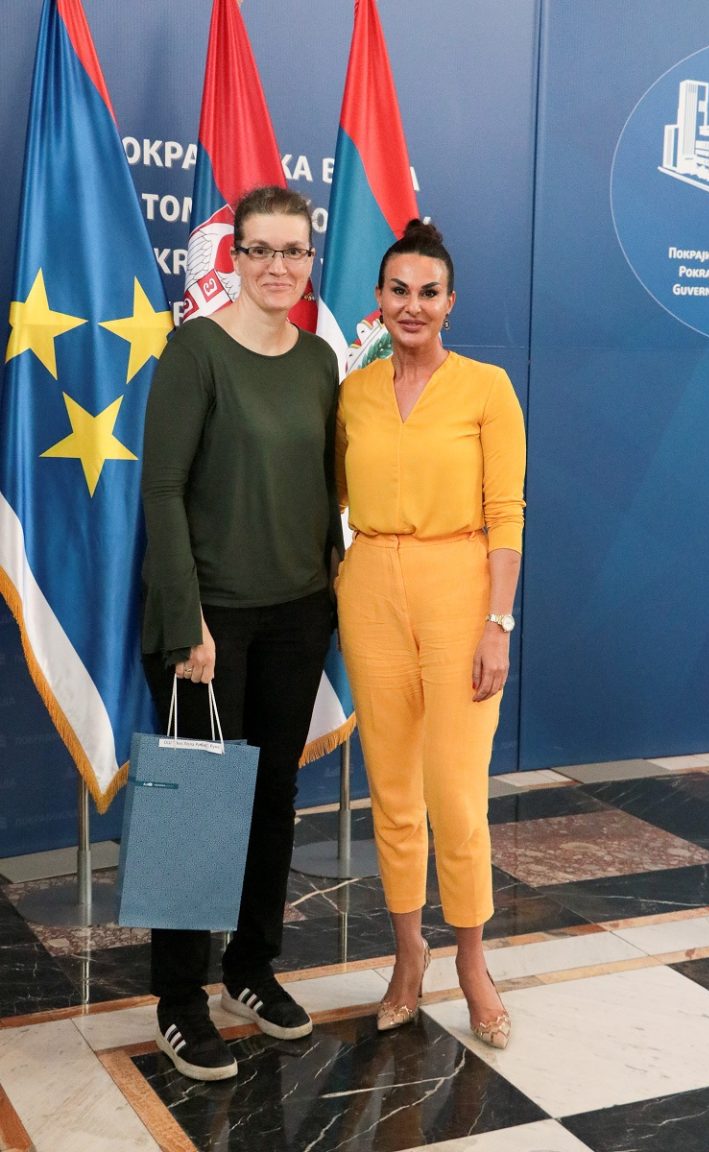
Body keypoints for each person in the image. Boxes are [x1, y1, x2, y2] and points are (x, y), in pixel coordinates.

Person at [140, 185, 342, 1081]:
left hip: (298, 614)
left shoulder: (319, 361)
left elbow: (324, 489)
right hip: (208, 621)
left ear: (310, 261)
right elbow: (162, 489)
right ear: (235, 258)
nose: (276, 266)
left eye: (293, 251)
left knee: (271, 798)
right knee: (197, 803)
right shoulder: (195, 350)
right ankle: (179, 1001)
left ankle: (249, 970)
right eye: (260, 250)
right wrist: (186, 619)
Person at [335, 220, 526, 1051]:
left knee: (455, 792)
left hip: (461, 590)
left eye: (429, 292)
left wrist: (497, 623)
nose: (412, 305)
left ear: (451, 303)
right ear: (378, 301)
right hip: (371, 587)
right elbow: (334, 497)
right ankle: (407, 955)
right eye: (398, 291)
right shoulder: (353, 393)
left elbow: (507, 514)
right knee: (392, 791)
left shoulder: (487, 388)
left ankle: (472, 961)